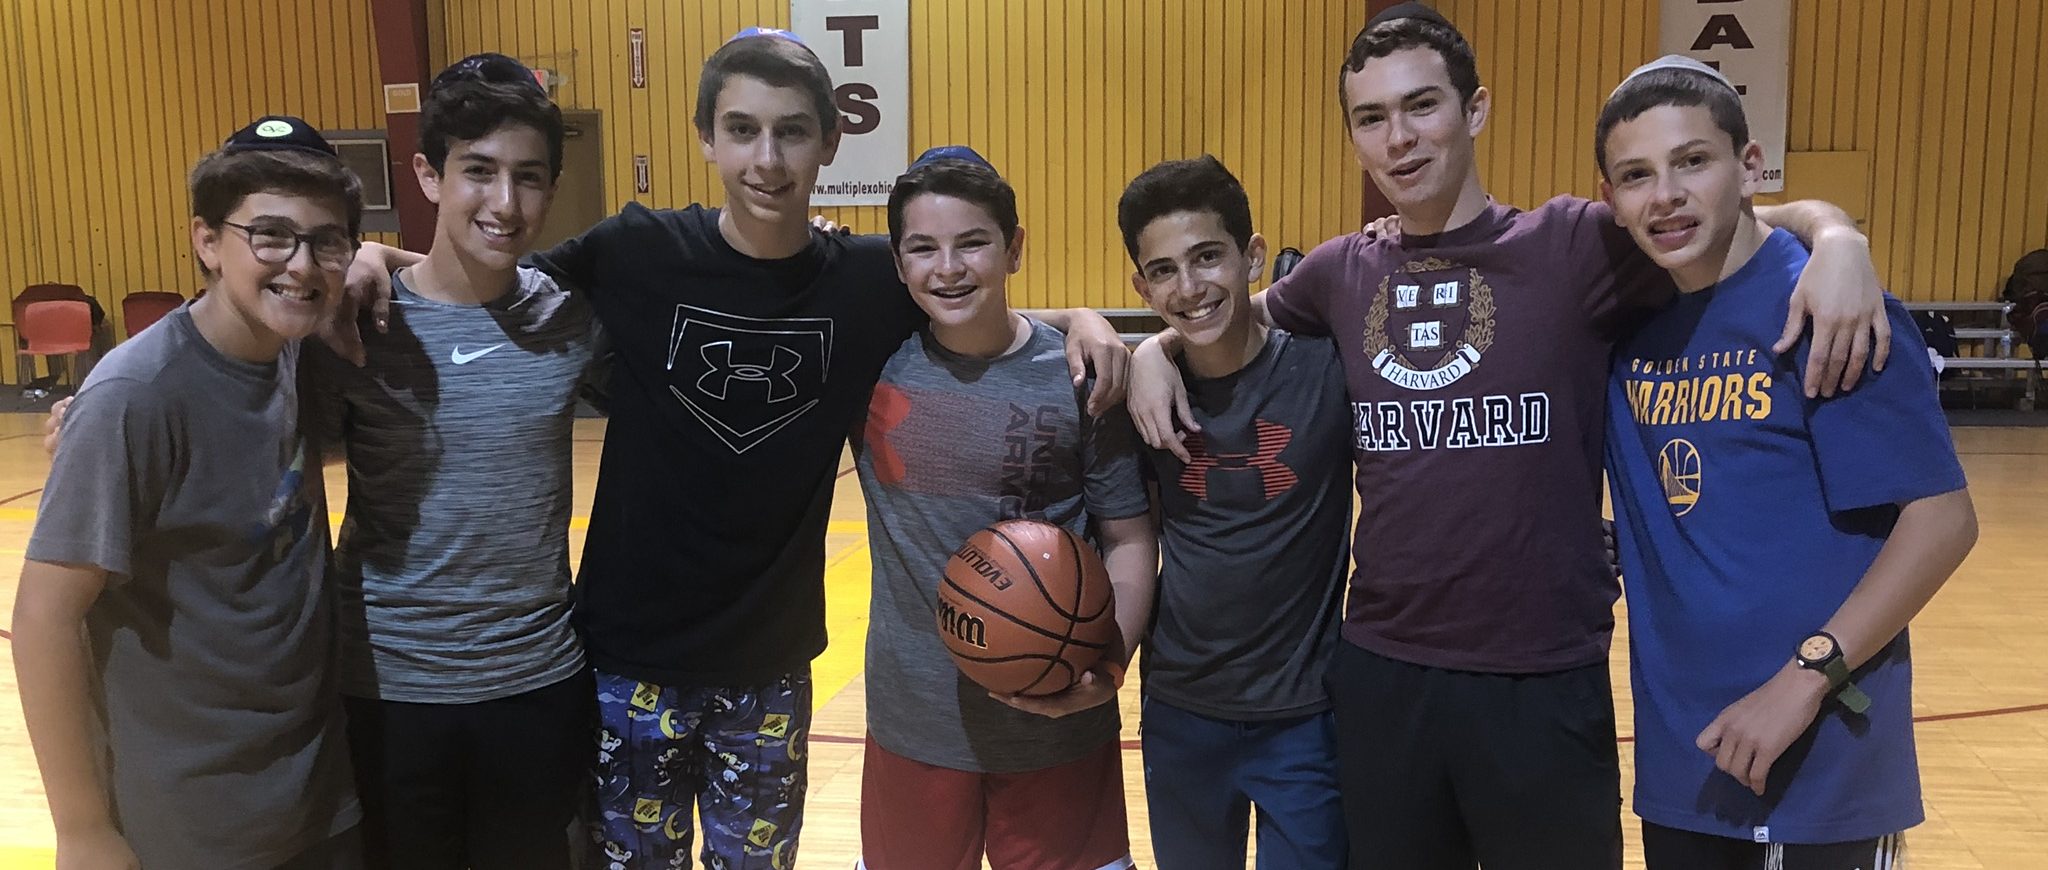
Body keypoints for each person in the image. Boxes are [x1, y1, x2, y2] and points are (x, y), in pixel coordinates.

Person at [339, 29, 1131, 867]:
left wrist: (1088, 323)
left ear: (831, 142)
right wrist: (374, 254)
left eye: (792, 131)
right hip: (627, 663)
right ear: (705, 138)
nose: (767, 157)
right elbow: (489, 273)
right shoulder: (635, 250)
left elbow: (974, 304)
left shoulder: (868, 280)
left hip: (770, 667)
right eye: (742, 129)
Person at [1126, 5, 1894, 867]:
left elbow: (1721, 217)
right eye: (1372, 118)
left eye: (1422, 106)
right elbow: (1223, 315)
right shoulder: (1341, 272)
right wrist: (1151, 351)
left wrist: (1836, 234)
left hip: (1543, 676)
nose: (1398, 138)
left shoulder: (1574, 244)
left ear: (1476, 109)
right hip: (1384, 674)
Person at [1596, 56, 1977, 870]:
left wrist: (1805, 679)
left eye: (1692, 160)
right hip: (1687, 763)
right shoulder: (1629, 326)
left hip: (1821, 766)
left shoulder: (1829, 310)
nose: (1666, 194)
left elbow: (1943, 520)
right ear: (1611, 199)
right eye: (1637, 175)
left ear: (1750, 166)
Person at [13, 116, 365, 869]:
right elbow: (43, 618)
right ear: (207, 241)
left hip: (315, 791)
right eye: (270, 236)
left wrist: (374, 259)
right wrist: (82, 829)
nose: (301, 264)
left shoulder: (290, 348)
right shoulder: (135, 396)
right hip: (194, 819)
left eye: (326, 242)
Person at [301, 53, 603, 870]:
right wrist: (102, 410)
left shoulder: (571, 320)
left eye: (528, 178)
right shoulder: (354, 325)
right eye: (479, 171)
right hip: (389, 689)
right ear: (429, 176)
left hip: (536, 683)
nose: (505, 202)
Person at [853, 146, 1155, 870]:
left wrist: (1109, 667)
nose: (948, 268)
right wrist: (1079, 312)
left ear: (1015, 248)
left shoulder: (1080, 375)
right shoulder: (867, 361)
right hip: (915, 720)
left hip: (1057, 718)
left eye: (973, 243)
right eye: (922, 248)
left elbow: (1129, 538)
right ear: (897, 263)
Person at [1117, 155, 1351, 869]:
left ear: (1252, 256)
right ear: (1141, 287)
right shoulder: (1139, 399)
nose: (1188, 288)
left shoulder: (1326, 369)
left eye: (1207, 257)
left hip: (1306, 714)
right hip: (1181, 709)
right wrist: (1148, 354)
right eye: (1163, 271)